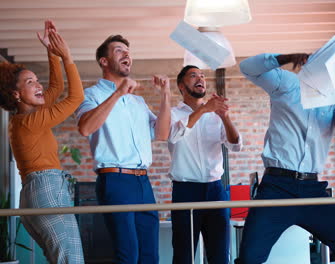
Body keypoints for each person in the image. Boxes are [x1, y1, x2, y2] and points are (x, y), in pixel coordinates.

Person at [236, 53, 335, 264]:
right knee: (249, 258)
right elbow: (247, 67)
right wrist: (284, 58)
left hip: (312, 189)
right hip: (277, 188)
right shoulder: (288, 83)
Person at [75, 35, 171, 264]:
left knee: (150, 256)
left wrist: (166, 94)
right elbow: (85, 128)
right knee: (128, 255)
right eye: (119, 50)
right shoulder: (91, 95)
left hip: (143, 183)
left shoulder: (138, 102)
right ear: (104, 61)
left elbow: (162, 134)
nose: (126, 54)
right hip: (115, 181)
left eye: (128, 51)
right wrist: (118, 93)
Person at [0, 20, 84, 263]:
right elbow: (76, 97)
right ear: (15, 94)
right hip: (46, 189)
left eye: (37, 80)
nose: (38, 86)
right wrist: (67, 57)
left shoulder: (25, 118)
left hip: (36, 192)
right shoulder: (29, 121)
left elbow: (56, 87)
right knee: (72, 260)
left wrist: (51, 51)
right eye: (30, 83)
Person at [168, 65, 242, 264]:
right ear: (181, 86)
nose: (200, 78)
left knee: (219, 256)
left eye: (202, 75)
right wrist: (203, 110)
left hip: (216, 190)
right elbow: (174, 136)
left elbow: (235, 146)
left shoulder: (215, 115)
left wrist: (224, 117)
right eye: (193, 75)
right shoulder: (172, 113)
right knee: (183, 256)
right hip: (185, 192)